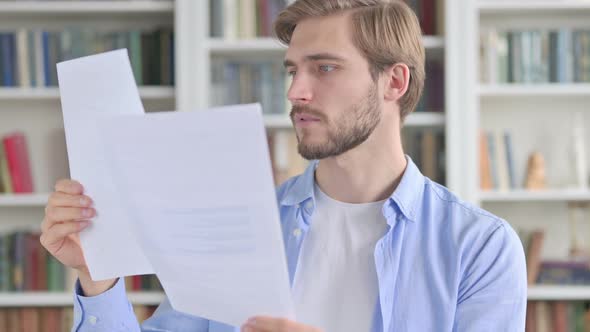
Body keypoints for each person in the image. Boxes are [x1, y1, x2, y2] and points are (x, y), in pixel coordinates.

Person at [40, 0, 527, 331]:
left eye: (325, 67)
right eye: (293, 70)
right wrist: (97, 277)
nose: (295, 91)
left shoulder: (478, 246)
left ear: (394, 82)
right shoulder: (234, 223)